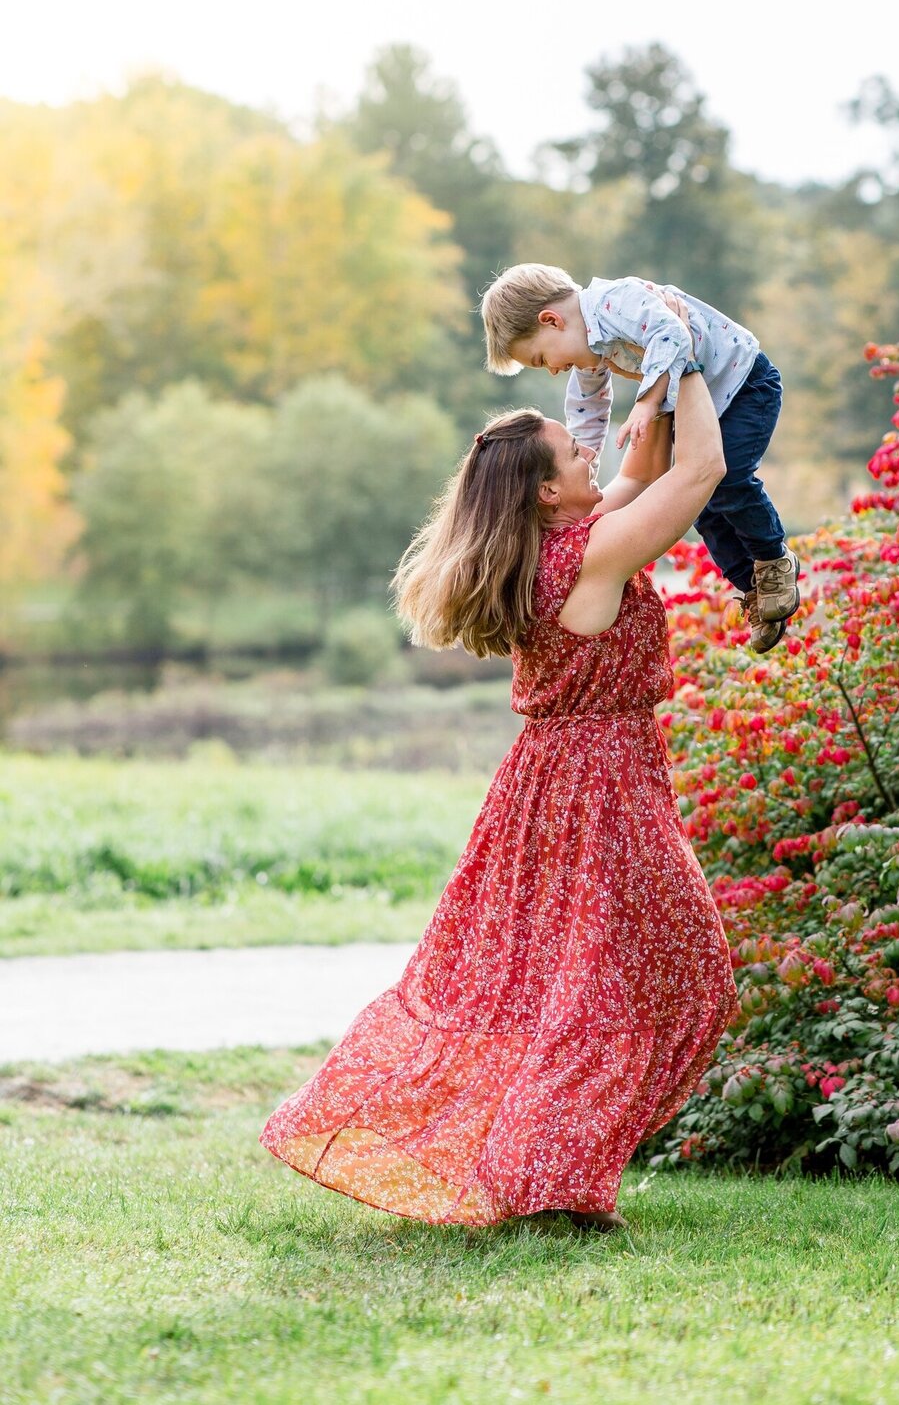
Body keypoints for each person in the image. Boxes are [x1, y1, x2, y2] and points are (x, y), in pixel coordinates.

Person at [260, 369, 737, 1232]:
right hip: (598, 785)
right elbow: (697, 474)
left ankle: (549, 1174)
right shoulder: (590, 554)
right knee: (678, 968)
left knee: (562, 984)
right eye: (569, 449)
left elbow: (647, 466)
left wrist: (657, 390)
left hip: (555, 782)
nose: (587, 446)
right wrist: (697, 360)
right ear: (549, 491)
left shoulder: (564, 540)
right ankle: (551, 1181)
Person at [480, 262, 798, 653]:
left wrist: (647, 403)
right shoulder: (590, 347)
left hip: (744, 383)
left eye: (542, 359)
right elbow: (587, 406)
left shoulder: (616, 302)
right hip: (708, 402)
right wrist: (585, 461)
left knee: (728, 479)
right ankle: (755, 588)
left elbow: (672, 334)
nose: (552, 371)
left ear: (551, 320)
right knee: (704, 508)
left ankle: (773, 559)